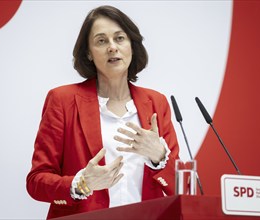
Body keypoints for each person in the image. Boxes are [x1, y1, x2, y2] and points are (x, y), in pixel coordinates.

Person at [26, 5, 180, 219]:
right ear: (88, 53)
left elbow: (181, 188)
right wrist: (82, 183)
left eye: (119, 38)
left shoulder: (156, 103)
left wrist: (159, 157)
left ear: (132, 46)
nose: (112, 47)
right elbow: (36, 181)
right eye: (101, 41)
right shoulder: (62, 100)